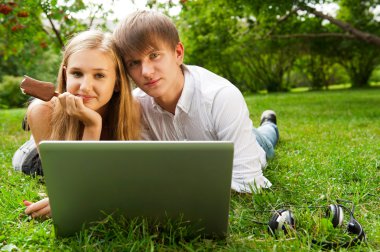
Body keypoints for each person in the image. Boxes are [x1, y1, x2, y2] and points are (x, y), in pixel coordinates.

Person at [113, 10, 279, 193]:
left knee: (267, 136)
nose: (146, 71)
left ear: (178, 53)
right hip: (219, 133)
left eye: (154, 55)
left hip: (251, 141)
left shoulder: (221, 97)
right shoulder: (135, 107)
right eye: (134, 63)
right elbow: (146, 172)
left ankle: (269, 123)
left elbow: (248, 183)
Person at [17, 30, 140, 218]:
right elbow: (71, 185)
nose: (84, 87)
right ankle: (30, 133)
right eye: (77, 73)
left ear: (117, 82)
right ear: (66, 75)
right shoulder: (43, 111)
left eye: (99, 75)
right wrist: (92, 125)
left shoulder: (133, 109)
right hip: (36, 156)